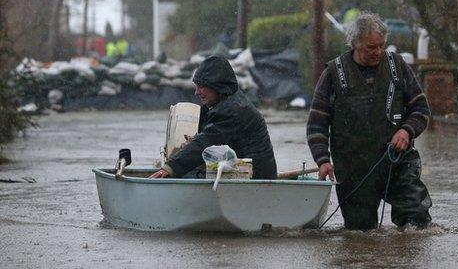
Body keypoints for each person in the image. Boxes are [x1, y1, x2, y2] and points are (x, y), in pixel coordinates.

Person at [307, 12, 432, 231]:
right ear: (354, 44)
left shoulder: (398, 66)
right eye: (371, 47)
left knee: (417, 221)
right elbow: (317, 124)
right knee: (360, 234)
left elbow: (420, 109)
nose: (378, 52)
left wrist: (406, 131)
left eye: (381, 46)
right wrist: (323, 160)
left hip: (397, 161)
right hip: (354, 169)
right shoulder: (333, 74)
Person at [150, 56, 277, 179]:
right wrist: (192, 142)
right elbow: (209, 139)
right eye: (196, 86)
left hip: (254, 179)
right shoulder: (222, 104)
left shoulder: (233, 110)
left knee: (181, 173)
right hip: (241, 173)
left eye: (201, 86)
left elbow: (205, 143)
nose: (197, 92)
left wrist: (170, 168)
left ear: (217, 86)